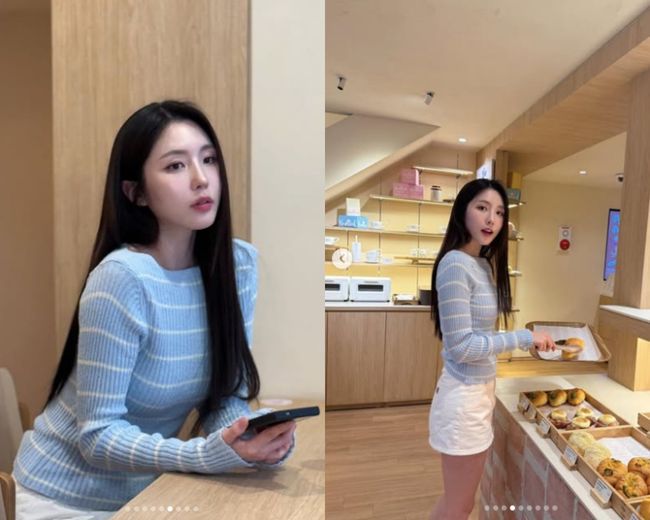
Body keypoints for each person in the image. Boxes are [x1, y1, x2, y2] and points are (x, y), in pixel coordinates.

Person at [12, 100, 295, 518]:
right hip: (61, 498)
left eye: (208, 159)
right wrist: (204, 455)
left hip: (146, 496)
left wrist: (246, 440)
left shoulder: (238, 266)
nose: (201, 179)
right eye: (176, 166)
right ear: (136, 193)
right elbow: (97, 436)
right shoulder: (122, 278)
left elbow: (224, 396)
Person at [427, 179, 555, 520]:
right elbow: (462, 347)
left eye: (499, 212)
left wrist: (526, 341)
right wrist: (523, 338)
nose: (491, 220)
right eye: (482, 208)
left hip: (480, 392)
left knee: (459, 503)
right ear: (462, 211)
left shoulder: (481, 264)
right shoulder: (455, 264)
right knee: (459, 506)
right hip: (463, 399)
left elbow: (482, 334)